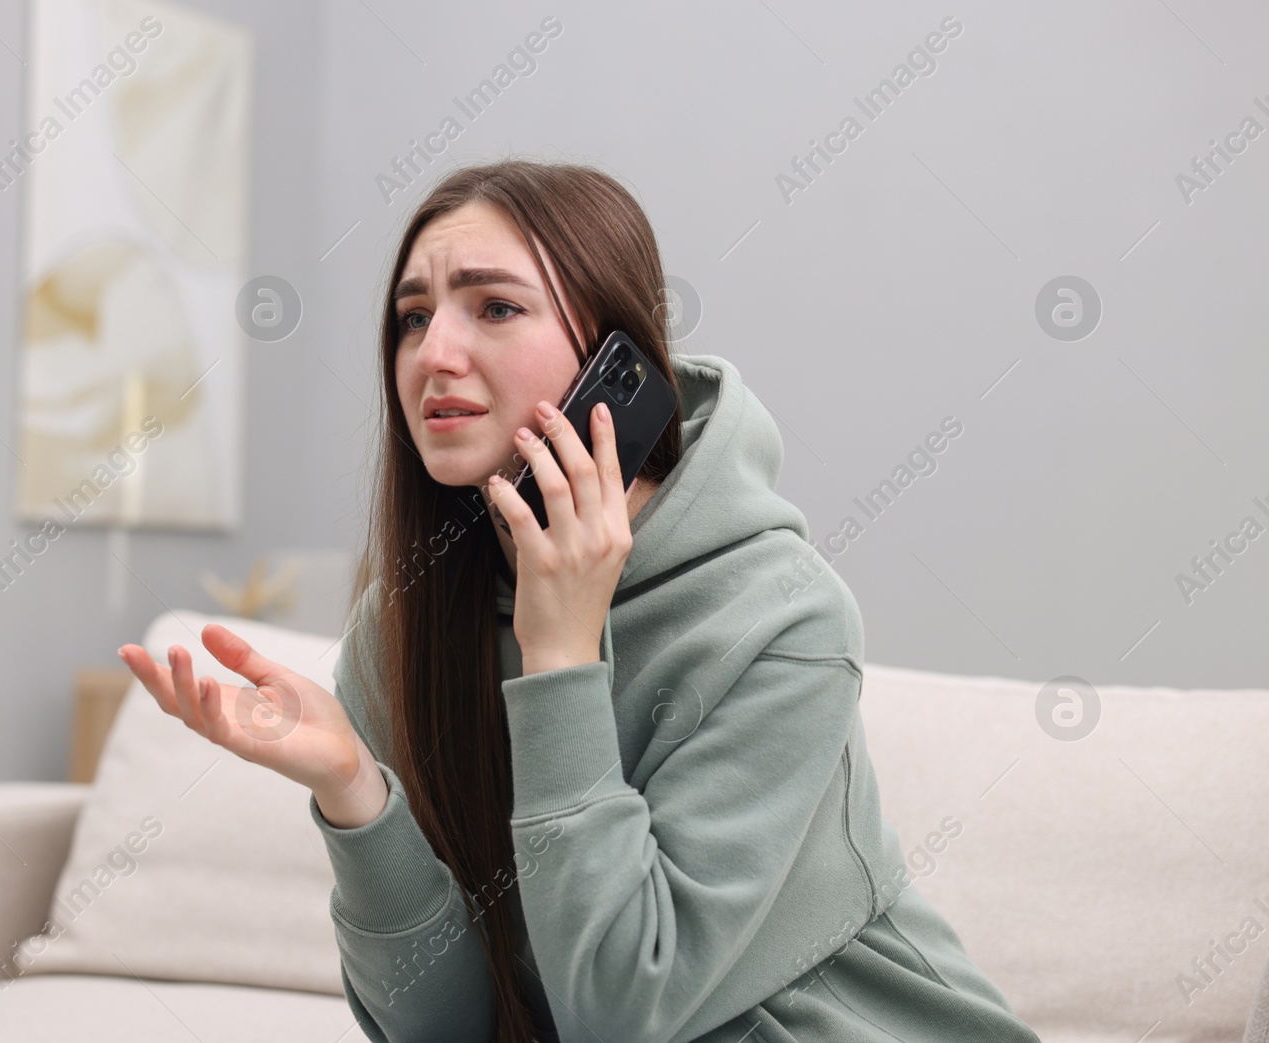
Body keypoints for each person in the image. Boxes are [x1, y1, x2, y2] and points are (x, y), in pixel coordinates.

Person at [118, 160, 1041, 1043]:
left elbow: (619, 1013)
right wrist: (357, 793)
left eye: (496, 307)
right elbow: (442, 1030)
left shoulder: (782, 620)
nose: (433, 353)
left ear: (616, 356)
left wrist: (561, 655)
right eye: (411, 316)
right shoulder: (404, 626)